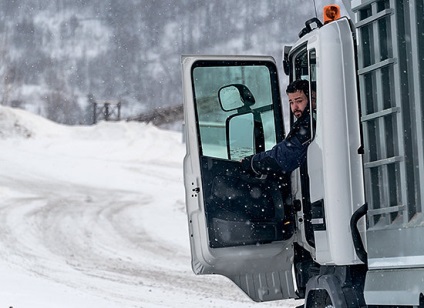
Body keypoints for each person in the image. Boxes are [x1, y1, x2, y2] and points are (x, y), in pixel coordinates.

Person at [242, 79, 313, 176]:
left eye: (299, 101)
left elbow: (285, 156)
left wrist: (252, 163)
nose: (294, 107)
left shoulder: (310, 125)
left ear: (313, 99)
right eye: (291, 102)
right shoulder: (306, 122)